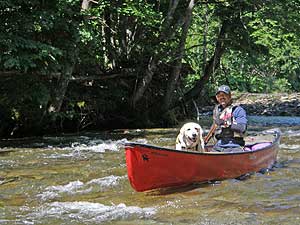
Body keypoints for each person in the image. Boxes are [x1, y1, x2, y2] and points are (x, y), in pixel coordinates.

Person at [209, 85, 247, 152]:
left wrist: (227, 124)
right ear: (217, 98)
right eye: (219, 96)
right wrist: (205, 140)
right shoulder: (217, 110)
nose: (221, 97)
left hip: (235, 145)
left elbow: (242, 128)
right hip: (219, 145)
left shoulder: (238, 110)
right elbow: (214, 127)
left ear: (229, 96)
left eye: (224, 95)